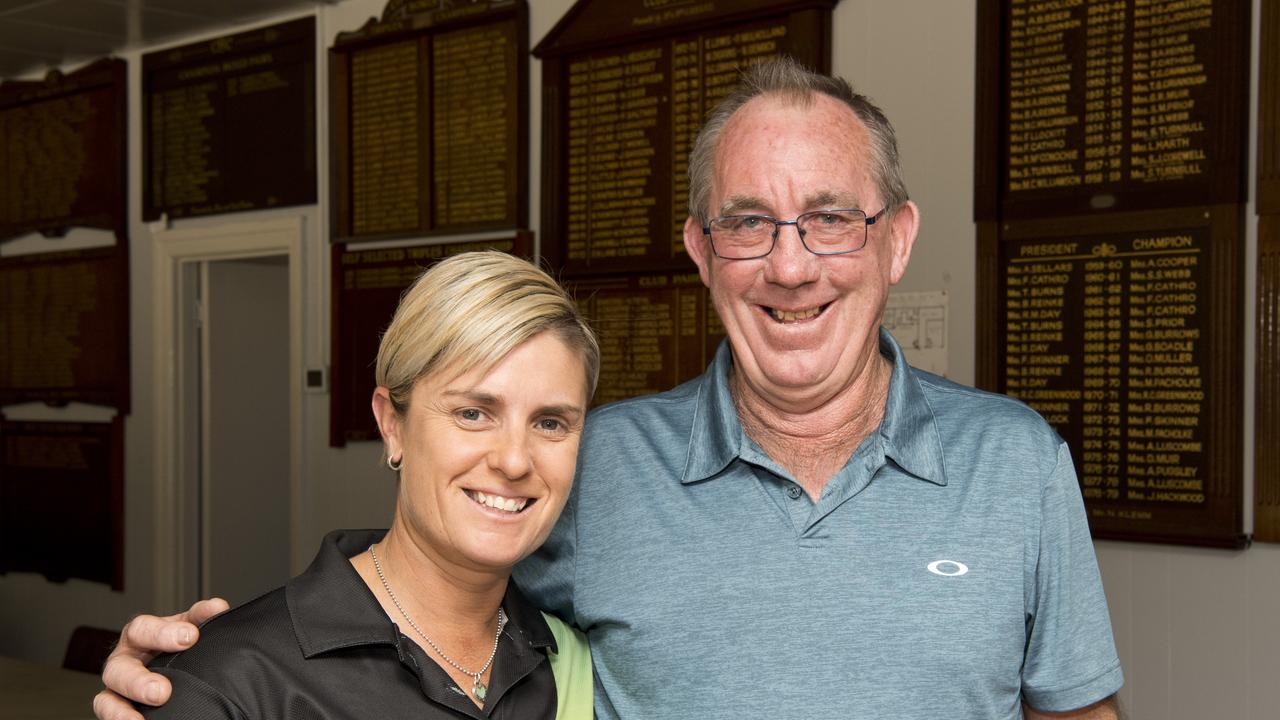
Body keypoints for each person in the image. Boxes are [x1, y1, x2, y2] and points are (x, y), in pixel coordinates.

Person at [96, 58, 1122, 719]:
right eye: (747, 222)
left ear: (892, 240)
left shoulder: (1016, 462)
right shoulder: (601, 464)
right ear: (699, 250)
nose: (791, 264)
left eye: (828, 218)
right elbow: (421, 598)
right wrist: (203, 677)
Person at [114, 251, 597, 719]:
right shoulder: (229, 681)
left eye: (551, 423)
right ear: (392, 425)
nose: (514, 460)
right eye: (473, 413)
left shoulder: (573, 668)